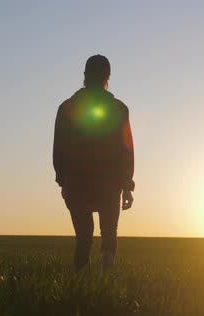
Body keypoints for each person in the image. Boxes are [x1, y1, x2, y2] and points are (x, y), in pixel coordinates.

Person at [53, 54, 135, 271]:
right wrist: (127, 185)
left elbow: (58, 148)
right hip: (109, 183)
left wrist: (63, 179)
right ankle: (104, 285)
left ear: (84, 76)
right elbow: (127, 151)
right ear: (107, 77)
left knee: (83, 236)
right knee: (109, 234)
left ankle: (80, 288)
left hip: (77, 182)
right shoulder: (119, 109)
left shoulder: (66, 108)